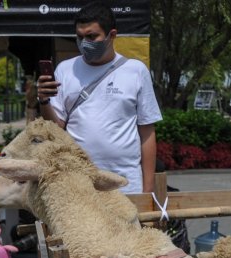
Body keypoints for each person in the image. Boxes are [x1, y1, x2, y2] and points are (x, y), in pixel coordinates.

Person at [36, 2, 162, 195]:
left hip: (126, 183)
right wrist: (44, 101)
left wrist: (148, 190)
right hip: (78, 182)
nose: (84, 42)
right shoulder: (64, 70)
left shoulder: (136, 71)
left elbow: (147, 133)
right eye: (79, 37)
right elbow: (56, 128)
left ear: (111, 35)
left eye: (91, 36)